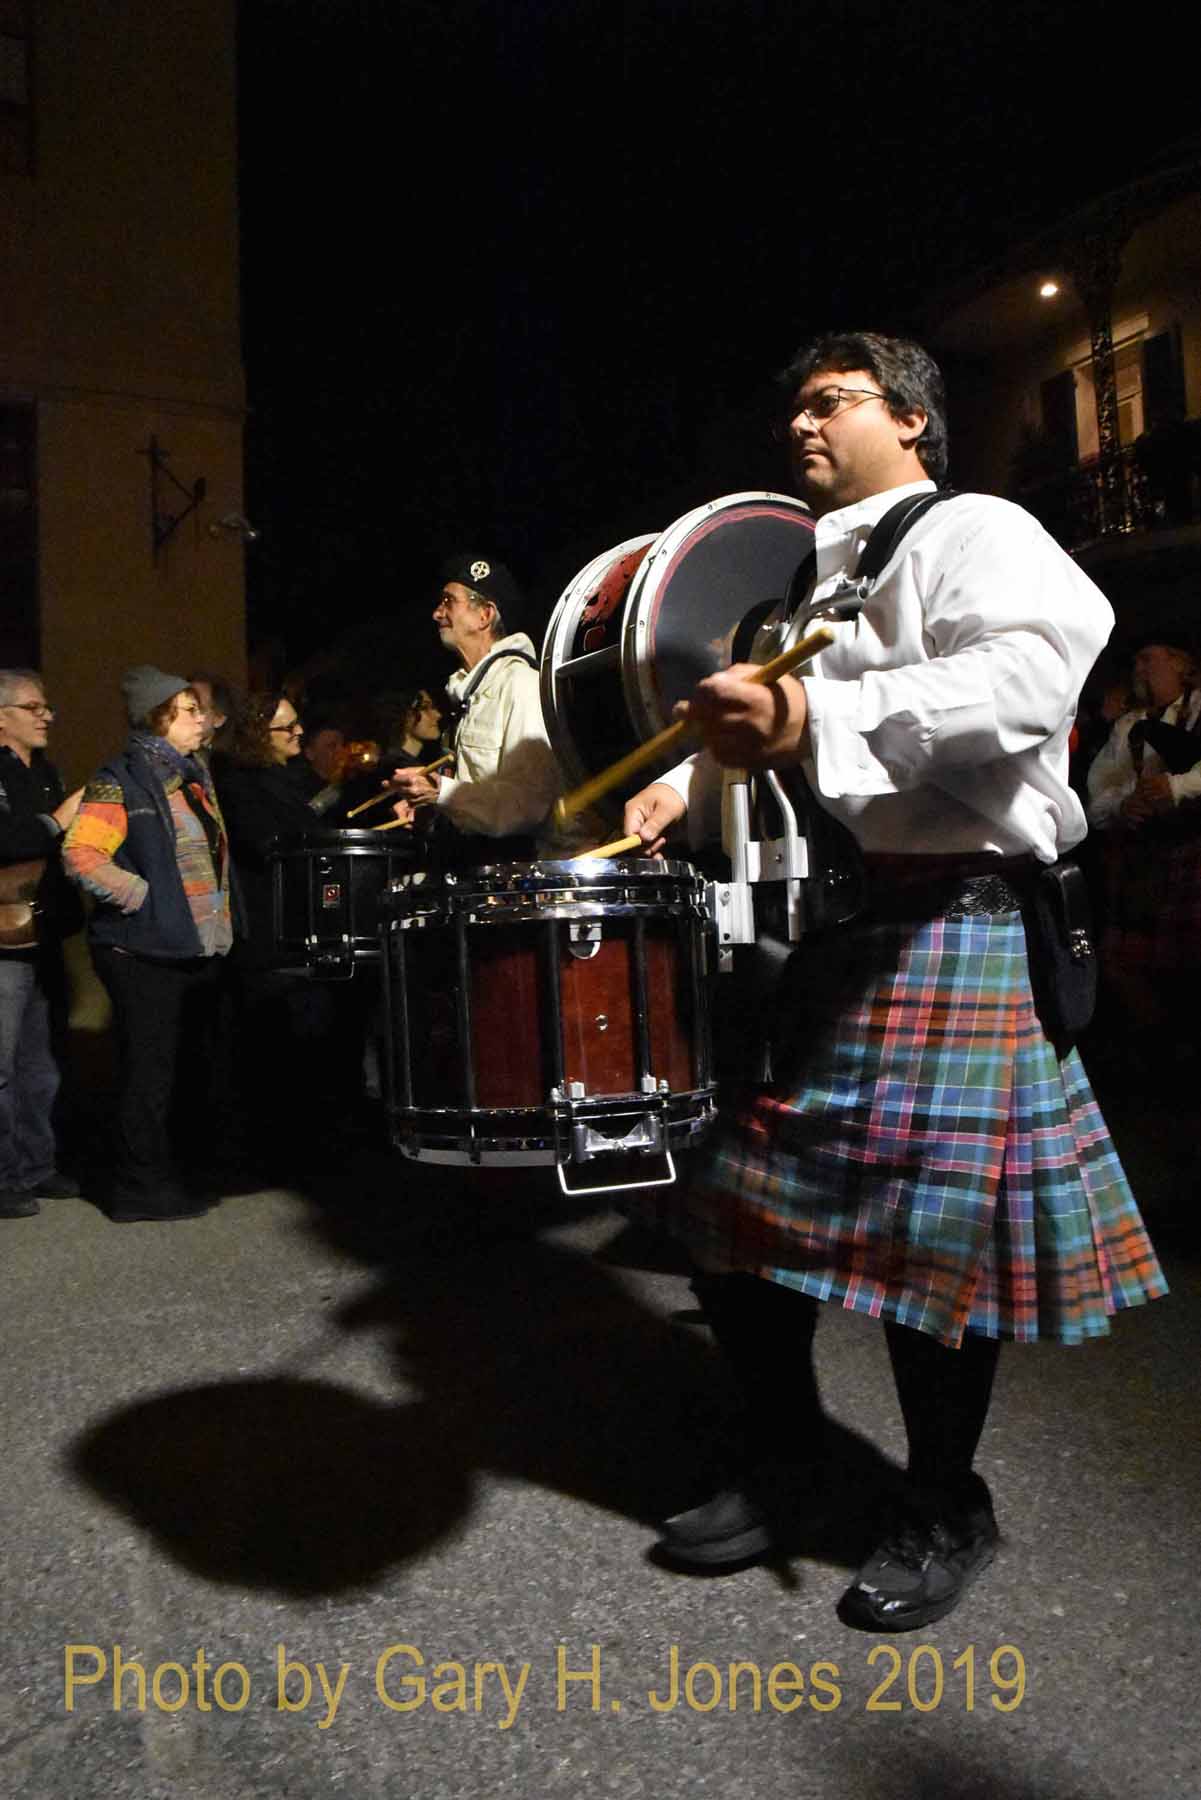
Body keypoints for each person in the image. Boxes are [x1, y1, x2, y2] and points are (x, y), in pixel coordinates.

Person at [621, 332, 1167, 1631]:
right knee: (734, 1214)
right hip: (865, 916)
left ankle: (940, 1505)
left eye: (832, 401)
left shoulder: (972, 527)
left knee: (935, 1250)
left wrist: (809, 722)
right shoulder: (825, 581)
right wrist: (693, 780)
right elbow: (788, 732)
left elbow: (1035, 671)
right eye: (794, 406)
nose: (801, 425)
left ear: (910, 418)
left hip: (970, 913)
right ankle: (789, 1458)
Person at [63, 667, 236, 1221]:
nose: (201, 719)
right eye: (189, 710)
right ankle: (137, 1189)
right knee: (148, 1073)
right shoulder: (122, 779)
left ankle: (173, 1171)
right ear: (158, 717)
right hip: (140, 951)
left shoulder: (191, 775)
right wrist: (145, 898)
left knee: (180, 1068)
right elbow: (82, 854)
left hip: (187, 946)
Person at [388, 556, 561, 855]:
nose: (436, 613)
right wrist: (431, 808)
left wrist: (441, 792)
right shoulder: (468, 696)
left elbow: (529, 804)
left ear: (484, 615)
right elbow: (476, 793)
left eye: (448, 602)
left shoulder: (521, 685)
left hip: (512, 874)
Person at [1086, 633, 1201, 1059]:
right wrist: (1123, 805)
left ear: (1180, 663)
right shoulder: (1128, 726)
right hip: (1141, 857)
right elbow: (1097, 795)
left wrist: (1175, 788)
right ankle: (1164, 1052)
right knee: (1122, 960)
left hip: (1193, 847)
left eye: (1149, 658)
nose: (1140, 668)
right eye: (1134, 662)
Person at [0, 670, 84, 1218]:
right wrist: (58, 821)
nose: (47, 715)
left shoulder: (45, 769)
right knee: (2, 1064)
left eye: (47, 706)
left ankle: (36, 1164)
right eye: (34, 707)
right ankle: (4, 1177)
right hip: (4, 938)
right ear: (1, 715)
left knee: (40, 1060)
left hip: (42, 931)